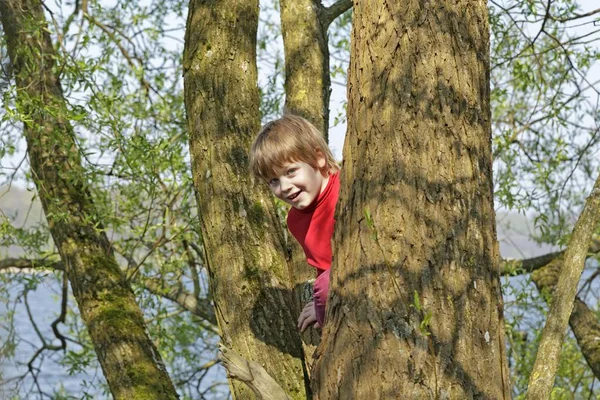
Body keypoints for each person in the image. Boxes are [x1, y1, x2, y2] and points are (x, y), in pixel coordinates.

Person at [250, 114, 340, 332]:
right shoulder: (295, 220)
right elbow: (322, 264)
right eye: (274, 181)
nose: (285, 186)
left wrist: (323, 294)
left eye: (291, 171)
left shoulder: (346, 187)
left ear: (318, 158)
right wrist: (320, 307)